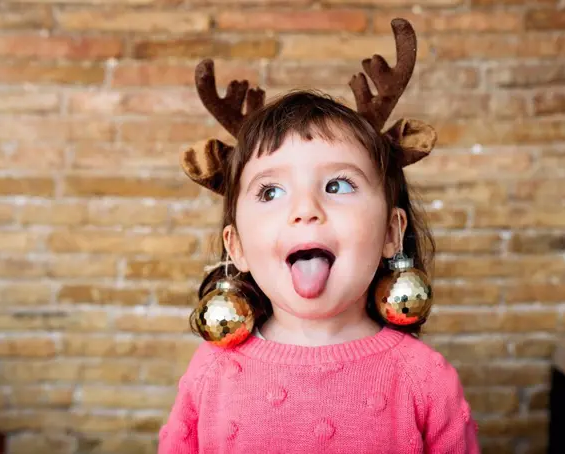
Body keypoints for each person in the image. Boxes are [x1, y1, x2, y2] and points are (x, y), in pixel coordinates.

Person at [159, 18, 480, 454]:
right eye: (271, 191)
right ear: (236, 248)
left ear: (391, 232)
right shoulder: (209, 373)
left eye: (338, 185)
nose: (305, 210)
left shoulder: (424, 378)